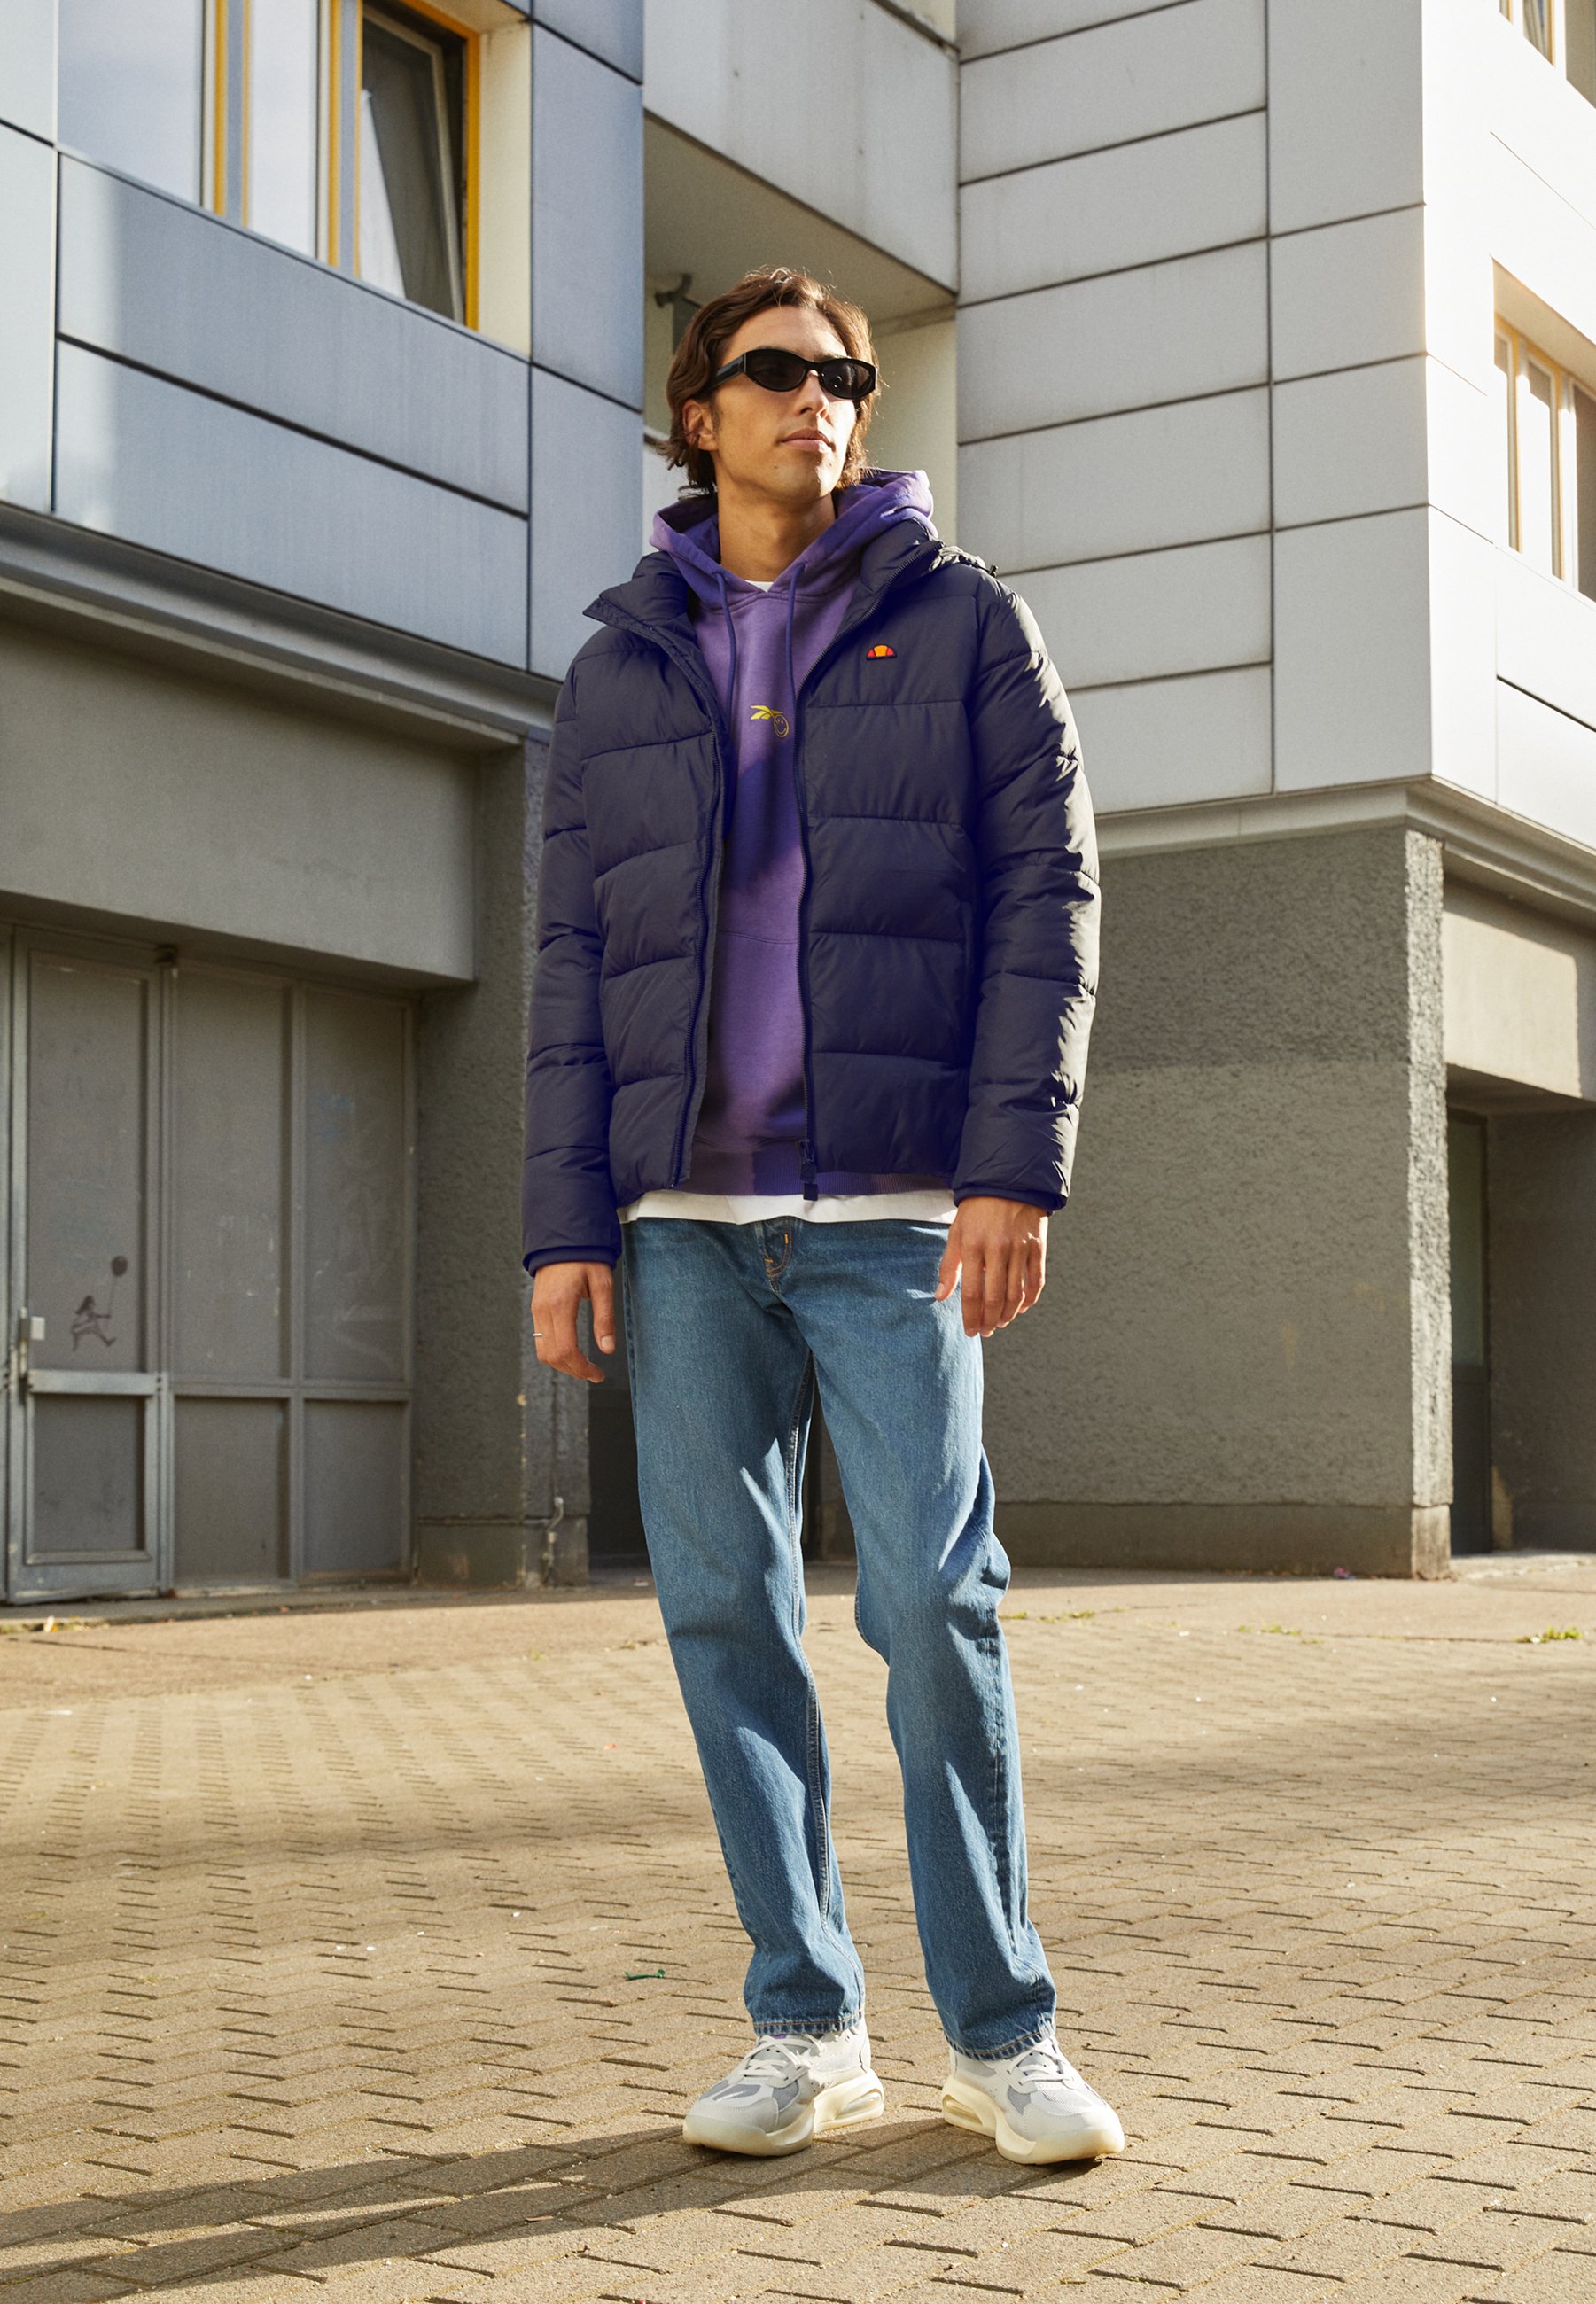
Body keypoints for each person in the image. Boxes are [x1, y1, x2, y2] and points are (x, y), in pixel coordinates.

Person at [522, 267, 1118, 2166]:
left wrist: (1013, 1167)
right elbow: (571, 965)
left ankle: (1002, 2033)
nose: (822, 398)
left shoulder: (965, 622)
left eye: (847, 374)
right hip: (683, 1221)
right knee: (724, 1615)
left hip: (893, 1205)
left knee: (934, 1601)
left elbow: (1048, 897)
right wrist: (564, 1224)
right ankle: (804, 2022)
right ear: (697, 410)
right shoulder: (618, 666)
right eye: (778, 368)